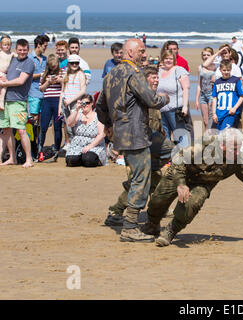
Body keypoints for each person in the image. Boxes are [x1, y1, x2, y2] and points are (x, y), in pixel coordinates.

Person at [142, 127, 243, 247]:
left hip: (202, 183)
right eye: (233, 148)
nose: (237, 152)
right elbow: (180, 159)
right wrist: (181, 184)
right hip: (180, 172)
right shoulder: (204, 144)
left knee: (192, 204)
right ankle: (153, 224)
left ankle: (170, 231)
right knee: (157, 201)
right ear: (222, 145)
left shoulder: (238, 160)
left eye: (239, 148)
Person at [96, 38, 169, 242]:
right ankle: (129, 227)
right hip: (136, 135)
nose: (144, 55)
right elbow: (151, 100)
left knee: (168, 151)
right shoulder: (133, 74)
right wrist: (166, 98)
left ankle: (120, 211)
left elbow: (100, 105)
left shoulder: (110, 75)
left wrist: (109, 125)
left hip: (129, 133)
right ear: (130, 52)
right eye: (142, 51)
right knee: (141, 178)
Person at [105, 65, 174, 227]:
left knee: (151, 178)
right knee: (140, 181)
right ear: (144, 80)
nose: (156, 80)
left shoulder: (151, 96)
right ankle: (117, 212)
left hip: (149, 144)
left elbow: (157, 128)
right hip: (136, 144)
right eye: (152, 77)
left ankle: (156, 209)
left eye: (157, 77)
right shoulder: (139, 97)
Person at [0, 39, 35, 168]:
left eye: (24, 50)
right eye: (20, 50)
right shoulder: (13, 59)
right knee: (6, 129)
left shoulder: (29, 63)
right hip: (6, 100)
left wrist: (4, 84)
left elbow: (21, 81)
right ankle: (12, 158)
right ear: (16, 49)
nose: (22, 52)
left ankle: (29, 159)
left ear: (28, 50)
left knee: (21, 130)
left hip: (19, 101)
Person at [157, 49, 190, 148]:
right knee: (165, 135)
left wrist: (185, 107)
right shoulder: (159, 71)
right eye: (166, 58)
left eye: (170, 59)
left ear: (174, 59)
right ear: (162, 59)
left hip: (175, 109)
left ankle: (185, 157)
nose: (168, 60)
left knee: (179, 134)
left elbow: (186, 89)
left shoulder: (179, 70)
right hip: (161, 109)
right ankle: (168, 158)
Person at [65, 94, 107, 167]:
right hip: (77, 145)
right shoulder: (78, 114)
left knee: (89, 160)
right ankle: (80, 158)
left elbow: (102, 134)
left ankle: (87, 158)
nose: (84, 105)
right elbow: (69, 123)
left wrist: (90, 146)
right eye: (82, 103)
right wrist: (76, 109)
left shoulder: (98, 116)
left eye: (87, 103)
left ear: (91, 104)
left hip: (94, 145)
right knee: (70, 161)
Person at [37, 54, 64, 161]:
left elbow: (66, 85)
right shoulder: (44, 74)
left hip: (58, 101)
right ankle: (40, 149)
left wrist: (60, 80)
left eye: (55, 67)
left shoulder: (62, 72)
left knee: (57, 127)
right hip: (47, 101)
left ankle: (56, 150)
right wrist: (48, 82)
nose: (53, 70)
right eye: (51, 67)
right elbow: (41, 89)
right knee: (43, 127)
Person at [59, 54, 87, 149]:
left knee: (76, 125)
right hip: (65, 103)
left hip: (76, 103)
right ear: (68, 63)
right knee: (68, 126)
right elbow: (62, 91)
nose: (74, 65)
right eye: (72, 63)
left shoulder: (80, 74)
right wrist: (60, 107)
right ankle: (71, 145)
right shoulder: (65, 73)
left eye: (76, 63)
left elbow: (83, 91)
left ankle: (78, 145)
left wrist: (71, 100)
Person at [211, 60, 243, 131]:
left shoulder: (236, 80)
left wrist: (235, 108)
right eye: (224, 70)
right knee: (220, 137)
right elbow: (214, 98)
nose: (226, 72)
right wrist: (214, 113)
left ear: (231, 69)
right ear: (220, 70)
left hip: (230, 114)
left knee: (224, 134)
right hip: (219, 113)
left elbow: (242, 96)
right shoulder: (217, 82)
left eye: (228, 70)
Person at [28, 35, 49, 122]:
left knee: (42, 119)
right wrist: (41, 74)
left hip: (44, 93)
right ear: (38, 45)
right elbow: (27, 76)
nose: (46, 48)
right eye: (45, 46)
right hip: (33, 93)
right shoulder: (29, 58)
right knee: (34, 118)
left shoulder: (45, 59)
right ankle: (34, 136)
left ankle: (39, 136)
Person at [195, 47, 215, 129]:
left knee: (211, 119)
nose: (206, 56)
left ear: (212, 56)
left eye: (208, 55)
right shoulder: (200, 68)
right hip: (203, 95)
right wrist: (196, 99)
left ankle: (211, 138)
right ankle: (206, 137)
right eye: (204, 55)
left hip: (212, 94)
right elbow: (199, 84)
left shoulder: (215, 67)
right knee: (205, 120)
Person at [0, 35, 15, 111]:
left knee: (4, 88)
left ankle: (1, 101)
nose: (7, 47)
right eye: (5, 45)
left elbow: (18, 56)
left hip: (5, 74)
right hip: (0, 73)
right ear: (1, 46)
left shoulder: (11, 54)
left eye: (8, 45)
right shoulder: (0, 53)